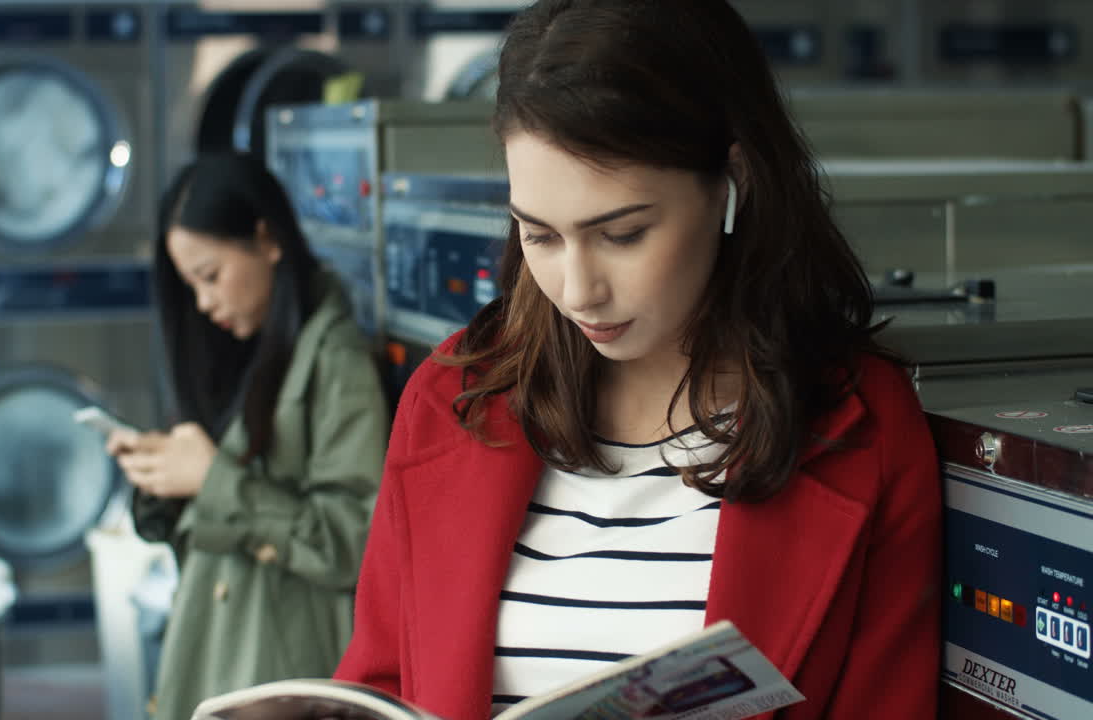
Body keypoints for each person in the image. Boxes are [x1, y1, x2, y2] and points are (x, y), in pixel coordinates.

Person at [334, 1, 941, 719]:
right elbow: (381, 686)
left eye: (621, 234)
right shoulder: (451, 401)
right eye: (540, 236)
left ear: (730, 183)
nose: (578, 290)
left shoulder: (864, 430)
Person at [107, 150, 389, 720]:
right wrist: (166, 479)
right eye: (191, 287)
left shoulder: (335, 360)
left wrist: (214, 480)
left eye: (210, 277)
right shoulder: (259, 351)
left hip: (279, 677)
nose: (205, 303)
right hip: (235, 662)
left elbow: (356, 541)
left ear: (268, 240)